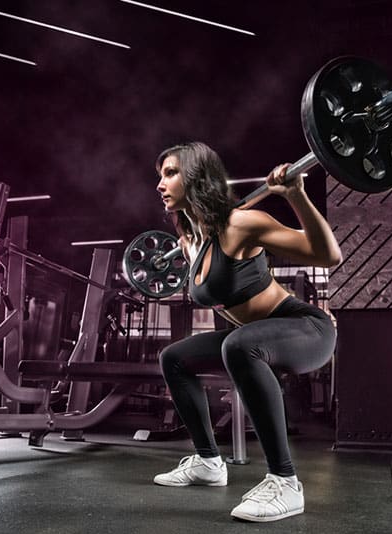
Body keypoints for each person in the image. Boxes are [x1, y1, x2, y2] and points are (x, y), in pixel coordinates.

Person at [152, 141, 341, 522]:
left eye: (170, 173)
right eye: (160, 176)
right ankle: (208, 461)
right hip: (253, 337)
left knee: (240, 345)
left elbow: (329, 255)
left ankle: (285, 482)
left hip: (305, 328)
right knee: (174, 358)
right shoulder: (193, 243)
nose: (160, 183)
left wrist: (296, 196)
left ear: (197, 177)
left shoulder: (240, 224)